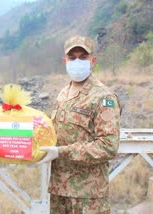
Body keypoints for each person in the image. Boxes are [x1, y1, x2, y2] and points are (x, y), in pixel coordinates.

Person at [38, 35, 122, 213]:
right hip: (59, 190)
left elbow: (108, 146)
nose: (77, 61)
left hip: (88, 195)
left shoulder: (103, 97)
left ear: (93, 60)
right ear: (65, 60)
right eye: (72, 57)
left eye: (83, 57)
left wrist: (61, 151)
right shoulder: (63, 93)